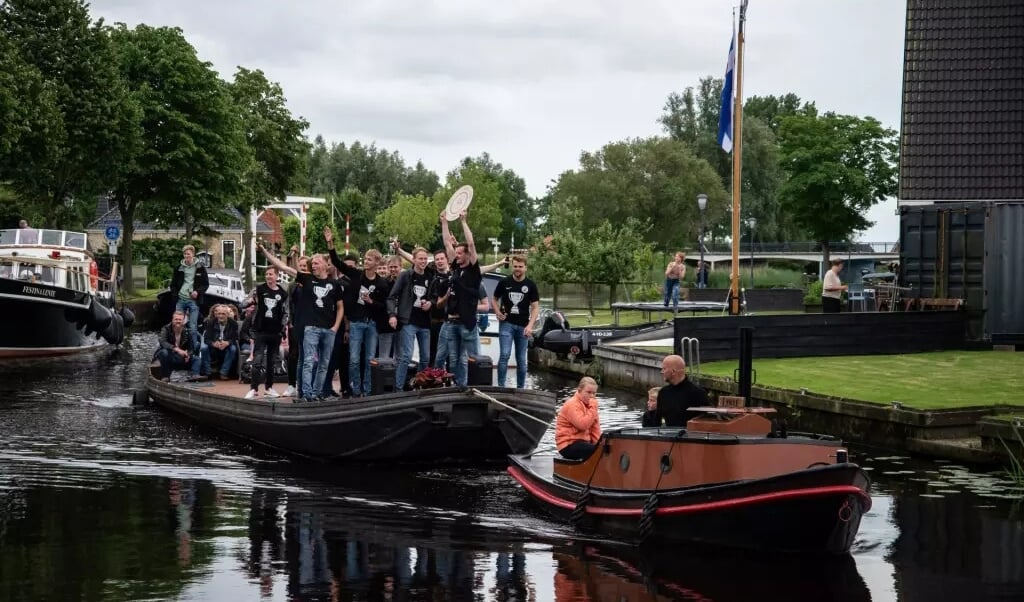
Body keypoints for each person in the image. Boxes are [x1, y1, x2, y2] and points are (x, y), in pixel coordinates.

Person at [261, 245, 344, 402]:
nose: (314, 265)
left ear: (327, 265)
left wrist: (335, 327)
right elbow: (283, 267)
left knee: (324, 364)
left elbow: (340, 307)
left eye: (317, 262)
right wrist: (265, 252)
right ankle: (306, 394)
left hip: (329, 329)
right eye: (313, 263)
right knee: (308, 362)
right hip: (311, 328)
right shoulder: (307, 279)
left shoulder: (334, 284)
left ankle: (317, 393)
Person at [325, 227, 387, 397]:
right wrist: (330, 243)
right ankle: (356, 389)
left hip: (372, 324)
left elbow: (383, 306)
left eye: (369, 259)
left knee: (369, 360)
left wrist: (372, 302)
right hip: (356, 322)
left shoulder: (382, 283)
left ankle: (366, 391)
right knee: (353, 359)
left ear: (376, 263)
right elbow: (337, 262)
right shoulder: (355, 274)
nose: (366, 261)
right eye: (365, 258)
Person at [439, 210, 482, 387]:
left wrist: (464, 221)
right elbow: (447, 243)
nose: (456, 255)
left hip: (467, 321)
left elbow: (470, 244)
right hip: (452, 321)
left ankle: (475, 386)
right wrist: (444, 222)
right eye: (456, 253)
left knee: (471, 358)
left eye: (460, 252)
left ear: (466, 255)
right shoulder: (455, 268)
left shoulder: (473, 269)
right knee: (454, 358)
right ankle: (458, 387)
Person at [388, 246, 434, 391]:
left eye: (425, 259)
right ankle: (398, 388)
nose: (423, 261)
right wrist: (392, 315)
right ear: (413, 259)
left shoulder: (430, 275)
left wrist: (430, 303)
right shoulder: (405, 275)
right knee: (406, 356)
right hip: (409, 321)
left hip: (425, 322)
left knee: (426, 357)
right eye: (420, 258)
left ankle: (419, 385)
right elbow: (391, 296)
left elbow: (434, 295)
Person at [493, 255, 540, 388]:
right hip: (506, 324)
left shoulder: (531, 285)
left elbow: (535, 307)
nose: (517, 269)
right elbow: (494, 299)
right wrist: (497, 312)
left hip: (523, 326)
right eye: (515, 266)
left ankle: (521, 389)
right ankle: (501, 387)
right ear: (512, 267)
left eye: (520, 266)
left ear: (525, 268)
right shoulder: (504, 282)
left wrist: (530, 326)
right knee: (504, 355)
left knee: (521, 359)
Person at [243, 266, 289, 399]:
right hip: (261, 331)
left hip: (275, 332)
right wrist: (252, 302)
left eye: (271, 274)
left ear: (276, 276)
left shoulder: (283, 293)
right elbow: (243, 303)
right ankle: (254, 388)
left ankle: (269, 387)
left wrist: (283, 327)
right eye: (267, 274)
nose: (268, 276)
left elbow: (286, 312)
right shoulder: (259, 289)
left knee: (271, 362)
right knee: (257, 360)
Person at [642, 355, 708, 427]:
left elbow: (707, 419)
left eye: (664, 369)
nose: (662, 372)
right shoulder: (663, 392)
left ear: (673, 371)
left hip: (690, 436)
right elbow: (657, 421)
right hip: (668, 436)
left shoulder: (697, 393)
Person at [555, 376, 602, 460]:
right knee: (595, 451)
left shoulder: (591, 406)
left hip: (583, 442)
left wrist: (599, 445)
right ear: (579, 390)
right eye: (588, 392)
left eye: (594, 393)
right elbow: (583, 425)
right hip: (568, 445)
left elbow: (595, 430)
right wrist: (593, 408)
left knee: (602, 450)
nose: (591, 396)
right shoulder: (572, 404)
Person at [169, 245, 209, 339]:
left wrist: (197, 292)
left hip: (193, 300)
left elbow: (205, 284)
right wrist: (175, 295)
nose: (186, 256)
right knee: (177, 324)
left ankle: (193, 348)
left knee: (193, 326)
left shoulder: (200, 267)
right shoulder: (179, 268)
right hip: (181, 299)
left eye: (188, 254)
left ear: (193, 254)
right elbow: (173, 284)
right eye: (185, 254)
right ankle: (176, 346)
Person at [155, 310, 202, 381]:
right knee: (164, 352)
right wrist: (177, 349)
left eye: (180, 319)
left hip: (181, 357)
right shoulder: (166, 329)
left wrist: (188, 354)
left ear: (183, 321)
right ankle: (166, 376)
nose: (178, 321)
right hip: (169, 355)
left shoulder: (187, 331)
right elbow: (163, 342)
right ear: (172, 320)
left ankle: (195, 375)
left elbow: (191, 348)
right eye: (176, 319)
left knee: (197, 359)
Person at [201, 304, 239, 380]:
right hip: (214, 346)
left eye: (223, 314)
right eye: (219, 314)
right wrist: (214, 343)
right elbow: (206, 339)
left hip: (226, 346)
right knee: (204, 348)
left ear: (227, 315)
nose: (220, 316)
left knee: (233, 349)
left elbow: (234, 338)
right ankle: (207, 373)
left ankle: (223, 373)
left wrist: (227, 343)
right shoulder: (211, 323)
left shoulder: (233, 324)